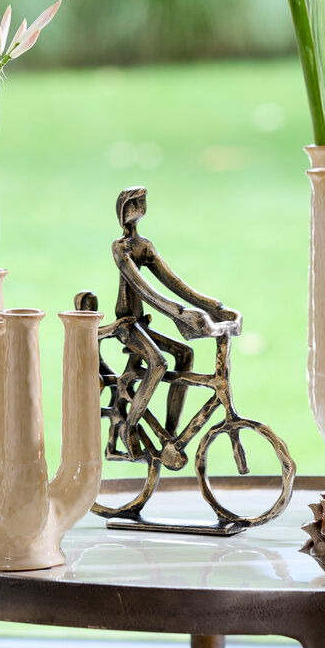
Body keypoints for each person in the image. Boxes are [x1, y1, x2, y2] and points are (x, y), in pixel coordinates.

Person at [91, 186, 242, 470]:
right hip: (128, 325)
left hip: (142, 325)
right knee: (158, 364)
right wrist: (179, 313)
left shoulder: (144, 245)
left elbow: (173, 281)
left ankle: (169, 437)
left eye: (142, 204)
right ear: (124, 211)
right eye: (134, 204)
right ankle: (129, 427)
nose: (139, 209)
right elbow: (144, 289)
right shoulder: (121, 248)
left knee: (184, 354)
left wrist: (214, 307)